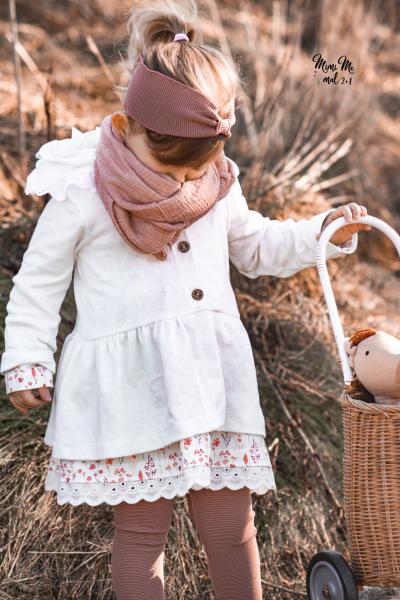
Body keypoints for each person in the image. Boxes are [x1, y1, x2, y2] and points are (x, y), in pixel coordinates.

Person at [0, 1, 371, 598]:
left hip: (210, 379)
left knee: (230, 524)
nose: (182, 186)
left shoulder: (214, 179)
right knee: (142, 536)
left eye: (196, 172)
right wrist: (26, 359)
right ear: (127, 129)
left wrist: (323, 232)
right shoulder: (83, 189)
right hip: (131, 390)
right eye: (168, 170)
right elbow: (38, 283)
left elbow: (255, 246)